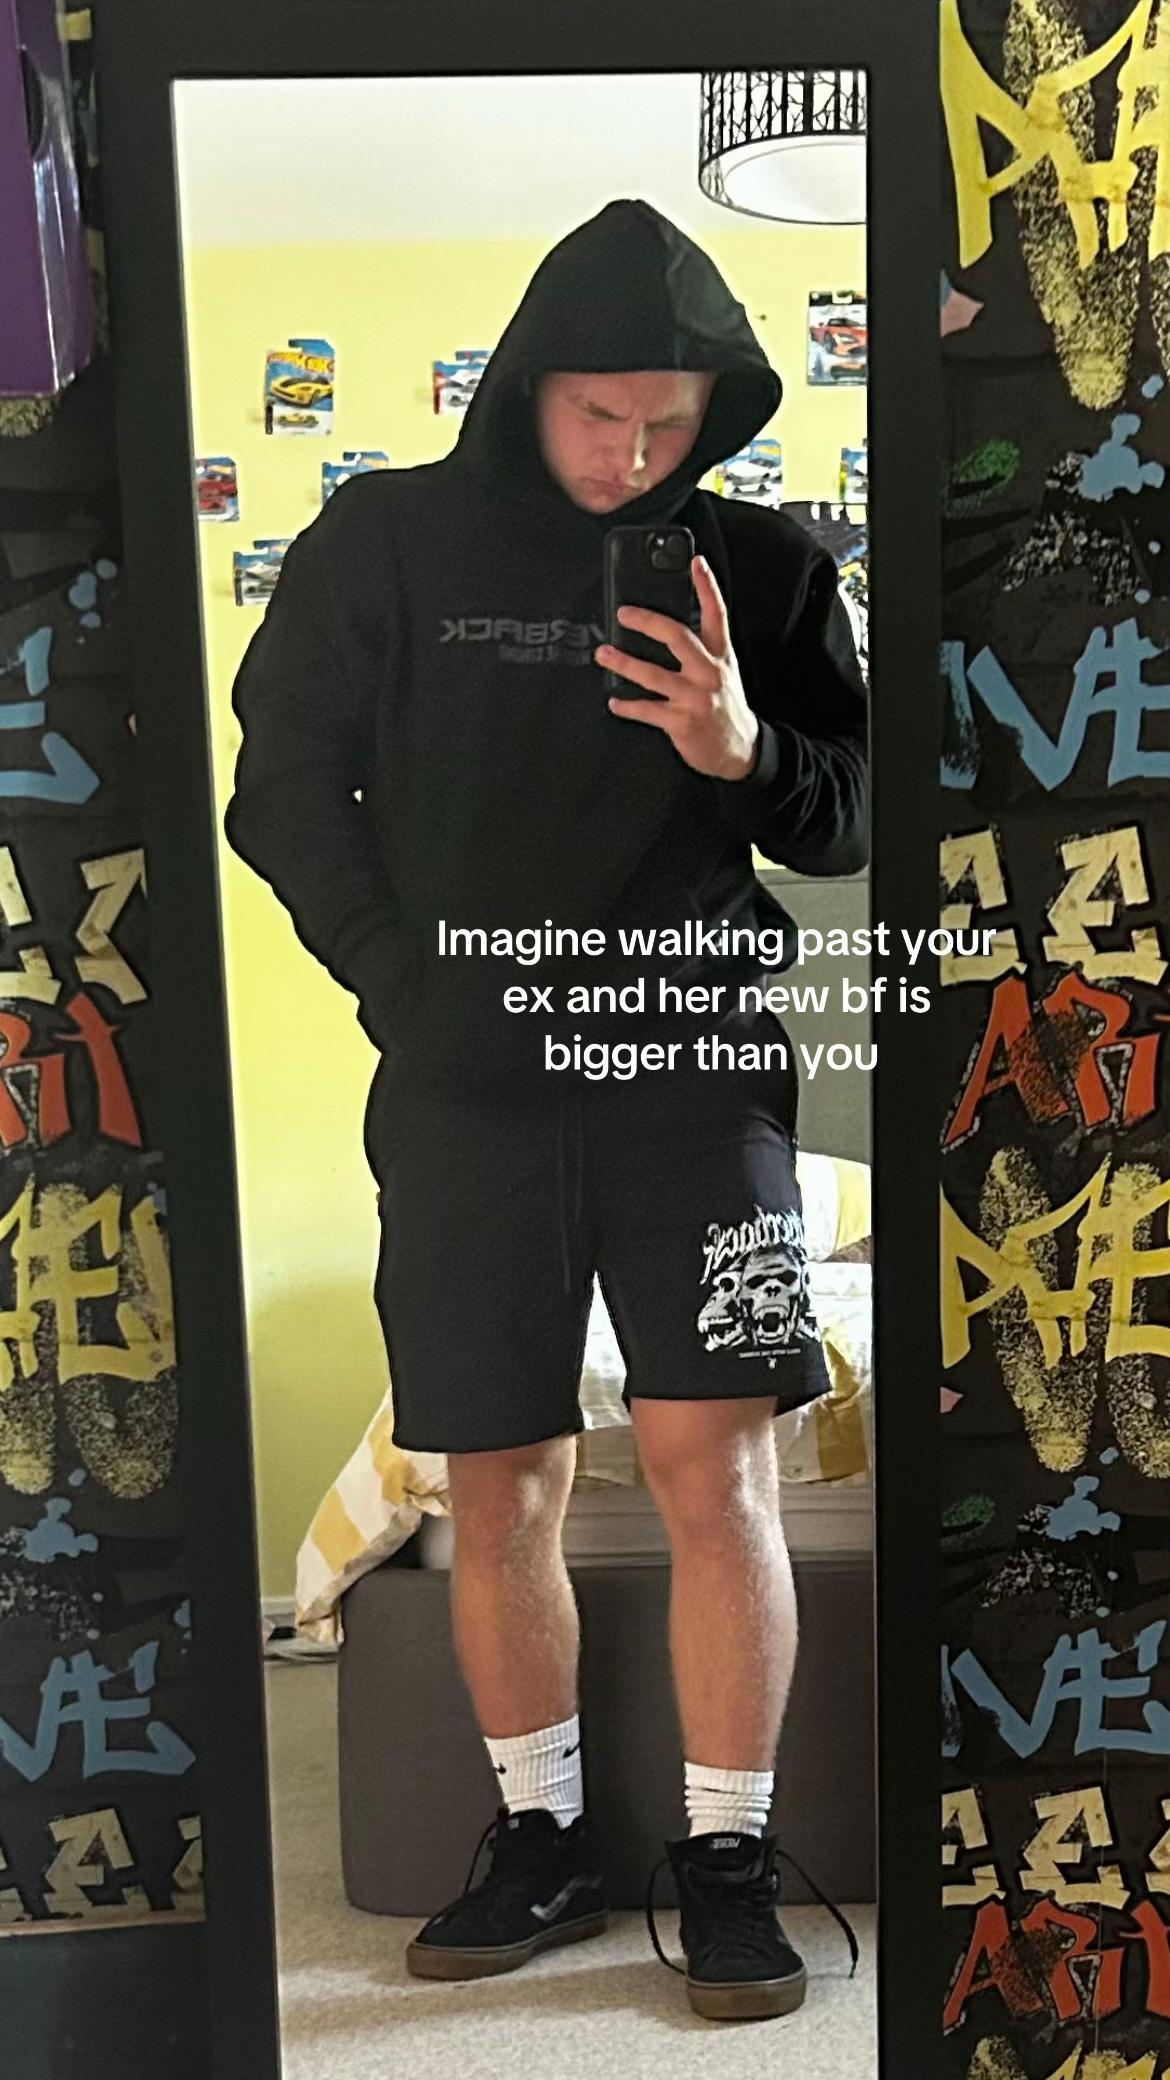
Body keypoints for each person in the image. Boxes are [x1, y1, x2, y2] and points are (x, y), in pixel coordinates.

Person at [225, 196, 867, 2023]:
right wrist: (399, 978)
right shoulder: (385, 539)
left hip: (701, 1073)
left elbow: (853, 816)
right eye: (600, 415)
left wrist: (744, 749)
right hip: (462, 1085)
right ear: (524, 388)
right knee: (497, 1470)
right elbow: (283, 788)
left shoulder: (765, 565)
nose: (632, 455)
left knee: (715, 1461)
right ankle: (542, 1836)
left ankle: (726, 1857)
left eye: (669, 422)